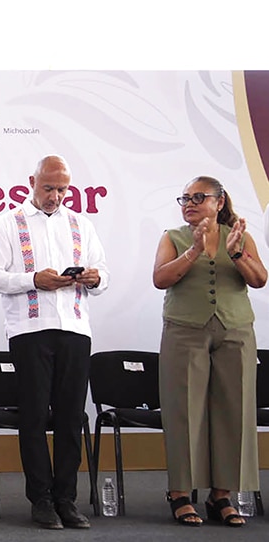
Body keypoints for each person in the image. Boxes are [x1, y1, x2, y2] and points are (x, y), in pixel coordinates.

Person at [0, 155, 108, 530]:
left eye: (62, 189)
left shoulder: (80, 225)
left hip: (75, 330)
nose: (55, 196)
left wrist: (94, 278)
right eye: (49, 188)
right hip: (30, 331)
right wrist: (34, 280)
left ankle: (66, 498)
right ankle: (42, 500)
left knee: (71, 417)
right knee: (33, 417)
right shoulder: (9, 222)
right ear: (32, 181)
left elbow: (104, 275)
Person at [152, 176, 266, 527]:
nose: (189, 203)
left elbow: (259, 279)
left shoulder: (240, 236)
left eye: (198, 197)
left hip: (235, 330)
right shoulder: (173, 238)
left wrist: (235, 253)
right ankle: (181, 494)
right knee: (184, 411)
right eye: (184, 197)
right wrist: (194, 251)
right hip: (185, 330)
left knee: (235, 410)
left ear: (219, 201)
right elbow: (160, 278)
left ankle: (222, 496)